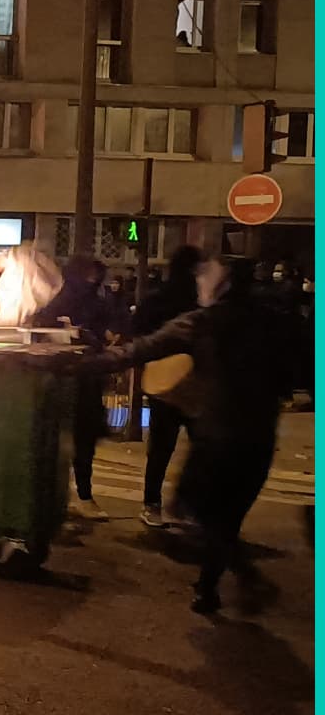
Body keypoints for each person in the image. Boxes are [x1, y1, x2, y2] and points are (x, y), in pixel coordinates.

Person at [67, 258, 287, 614]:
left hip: (217, 435)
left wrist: (82, 364)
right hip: (260, 434)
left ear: (223, 285)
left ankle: (238, 578)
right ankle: (209, 588)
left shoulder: (203, 323)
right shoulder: (274, 321)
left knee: (198, 509)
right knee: (227, 516)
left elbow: (141, 349)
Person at [34, 255, 113, 521]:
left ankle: (81, 495)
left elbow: (114, 328)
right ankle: (67, 496)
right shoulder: (61, 302)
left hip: (83, 381)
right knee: (65, 442)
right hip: (68, 381)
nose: (93, 281)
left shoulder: (93, 301)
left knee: (81, 442)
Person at [133, 245, 205, 527]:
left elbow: (138, 330)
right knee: (200, 446)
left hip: (162, 379)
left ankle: (152, 504)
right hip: (195, 381)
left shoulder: (156, 298)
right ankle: (185, 505)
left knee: (161, 447)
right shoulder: (201, 302)